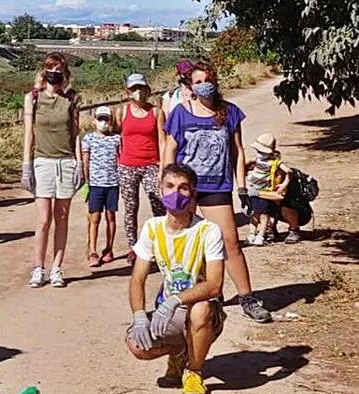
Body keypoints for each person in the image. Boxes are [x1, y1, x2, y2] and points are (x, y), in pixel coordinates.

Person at [163, 62, 273, 323]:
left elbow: (238, 152)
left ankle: (247, 297)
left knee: (229, 241)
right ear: (191, 86)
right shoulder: (180, 113)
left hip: (217, 186)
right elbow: (170, 150)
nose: (204, 85)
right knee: (185, 242)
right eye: (198, 81)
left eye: (208, 80)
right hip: (185, 187)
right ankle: (196, 293)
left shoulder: (229, 112)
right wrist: (166, 184)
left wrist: (242, 187)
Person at [126, 164, 226, 394]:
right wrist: (139, 316)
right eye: (170, 186)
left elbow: (214, 285)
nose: (176, 193)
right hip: (168, 311)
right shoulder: (153, 228)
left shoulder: (208, 230)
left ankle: (194, 371)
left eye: (183, 188)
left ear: (193, 193)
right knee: (137, 345)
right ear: (160, 190)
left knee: (201, 309)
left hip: (201, 308)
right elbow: (137, 277)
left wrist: (175, 300)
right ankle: (181, 352)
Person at [21, 52, 82, 288]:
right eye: (51, 68)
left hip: (66, 161)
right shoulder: (33, 98)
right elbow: (29, 133)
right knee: (44, 219)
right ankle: (38, 268)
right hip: (42, 161)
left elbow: (75, 133)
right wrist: (26, 165)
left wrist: (79, 163)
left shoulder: (71, 99)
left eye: (59, 69)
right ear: (44, 70)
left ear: (65, 73)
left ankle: (57, 268)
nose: (54, 73)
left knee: (62, 217)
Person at [117, 73, 166, 265]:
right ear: (128, 91)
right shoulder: (122, 111)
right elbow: (117, 136)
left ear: (147, 89)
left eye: (141, 88)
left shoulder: (156, 113)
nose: (138, 92)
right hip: (127, 165)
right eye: (134, 88)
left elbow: (162, 140)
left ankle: (160, 244)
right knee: (130, 208)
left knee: (158, 204)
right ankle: (133, 247)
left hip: (151, 164)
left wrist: (162, 166)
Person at [81, 105, 121, 267]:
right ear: (95, 120)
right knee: (94, 217)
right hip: (95, 184)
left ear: (111, 121)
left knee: (110, 217)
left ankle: (109, 249)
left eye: (106, 119)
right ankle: (92, 250)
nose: (103, 122)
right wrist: (86, 181)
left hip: (112, 183)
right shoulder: (89, 139)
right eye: (100, 119)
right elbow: (85, 160)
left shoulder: (116, 139)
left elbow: (120, 158)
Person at [245, 132, 302, 245]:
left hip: (275, 196)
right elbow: (244, 164)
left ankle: (292, 229)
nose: (259, 154)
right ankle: (264, 231)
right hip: (261, 192)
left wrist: (284, 184)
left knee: (265, 212)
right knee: (255, 212)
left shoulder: (276, 165)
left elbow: (288, 174)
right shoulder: (258, 161)